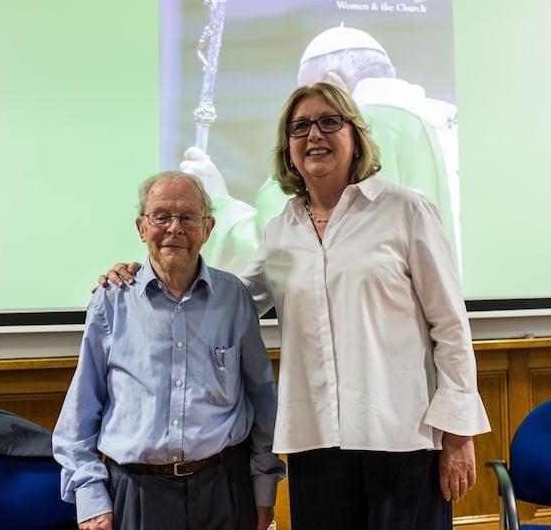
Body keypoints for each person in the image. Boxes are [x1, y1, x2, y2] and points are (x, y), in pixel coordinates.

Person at [107, 83, 490, 529]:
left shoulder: (405, 210)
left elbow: (450, 326)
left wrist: (459, 434)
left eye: (330, 122)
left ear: (355, 136)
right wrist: (148, 272)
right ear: (288, 149)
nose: (314, 135)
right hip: (316, 444)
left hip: (403, 438)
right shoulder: (280, 230)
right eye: (300, 127)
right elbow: (224, 296)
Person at [54, 171, 284, 530]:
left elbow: (263, 402)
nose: (174, 228)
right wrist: (91, 500)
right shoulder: (110, 303)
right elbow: (79, 416)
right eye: (161, 216)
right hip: (136, 495)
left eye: (188, 217)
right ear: (141, 227)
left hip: (225, 491)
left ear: (208, 229)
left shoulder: (234, 298)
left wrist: (264, 489)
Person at [184, 25, 461, 276]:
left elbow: (277, 253)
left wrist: (216, 202)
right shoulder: (450, 124)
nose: (312, 130)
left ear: (332, 83)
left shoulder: (335, 140)